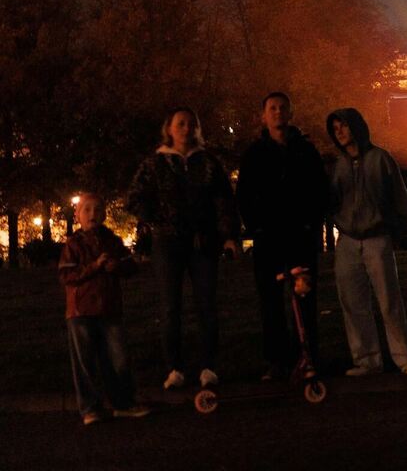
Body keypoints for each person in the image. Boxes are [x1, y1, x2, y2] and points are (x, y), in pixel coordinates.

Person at [128, 106, 240, 390]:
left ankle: (208, 367)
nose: (186, 129)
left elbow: (224, 200)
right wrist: (157, 220)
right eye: (181, 124)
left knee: (206, 304)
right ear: (170, 129)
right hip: (168, 242)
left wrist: (227, 235)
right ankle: (175, 368)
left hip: (203, 241)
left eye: (191, 123)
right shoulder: (155, 164)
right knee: (170, 307)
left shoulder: (208, 163)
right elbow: (136, 197)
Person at [237, 92, 328, 380]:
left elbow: (319, 189)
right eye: (272, 108)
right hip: (268, 239)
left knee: (304, 296)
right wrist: (256, 227)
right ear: (263, 115)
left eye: (282, 108)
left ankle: (308, 355)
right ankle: (277, 360)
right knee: (271, 302)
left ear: (290, 113)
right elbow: (245, 196)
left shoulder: (305, 151)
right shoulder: (254, 155)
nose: (277, 112)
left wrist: (311, 224)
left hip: (299, 236)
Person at [326, 107, 407, 376]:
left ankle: (405, 358)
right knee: (353, 303)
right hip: (347, 239)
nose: (340, 133)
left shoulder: (380, 159)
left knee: (389, 300)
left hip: (376, 237)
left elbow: (398, 195)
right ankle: (366, 360)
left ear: (355, 126)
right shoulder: (338, 165)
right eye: (335, 129)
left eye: (343, 126)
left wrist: (401, 228)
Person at [59, 193, 150, 424]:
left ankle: (122, 403)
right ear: (78, 215)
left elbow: (131, 267)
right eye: (87, 210)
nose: (93, 215)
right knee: (85, 361)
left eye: (98, 210)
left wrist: (116, 266)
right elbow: (67, 274)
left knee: (118, 358)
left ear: (104, 214)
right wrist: (94, 267)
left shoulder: (112, 240)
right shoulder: (73, 244)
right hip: (81, 310)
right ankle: (90, 407)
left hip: (109, 307)